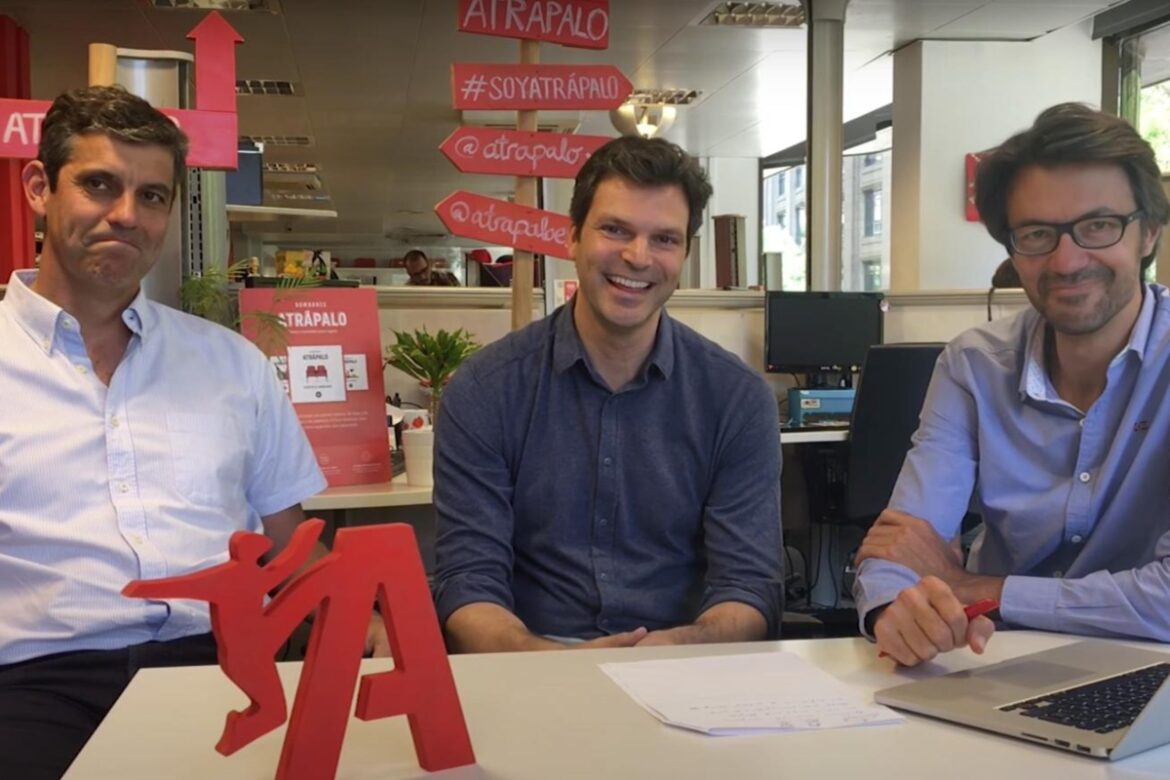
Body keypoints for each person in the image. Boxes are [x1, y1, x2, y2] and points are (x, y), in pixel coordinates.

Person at [0, 85, 386, 780]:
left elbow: (285, 545)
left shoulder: (231, 364)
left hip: (225, 662)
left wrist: (360, 613)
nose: (126, 215)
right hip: (35, 681)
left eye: (152, 197)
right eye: (98, 185)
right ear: (38, 187)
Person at [432, 136, 783, 652]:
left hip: (685, 661)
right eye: (615, 229)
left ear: (684, 252)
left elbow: (751, 586)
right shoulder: (486, 390)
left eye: (664, 239)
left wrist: (679, 646)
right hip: (529, 663)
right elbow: (467, 582)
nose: (638, 256)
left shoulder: (737, 398)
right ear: (572, 237)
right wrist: (548, 661)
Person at [853, 102, 1170, 667]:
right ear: (1011, 250)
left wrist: (984, 589)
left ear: (1148, 233)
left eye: (1099, 225)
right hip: (995, 666)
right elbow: (900, 543)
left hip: (1151, 675)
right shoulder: (974, 365)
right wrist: (895, 609)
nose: (1067, 260)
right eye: (1037, 233)